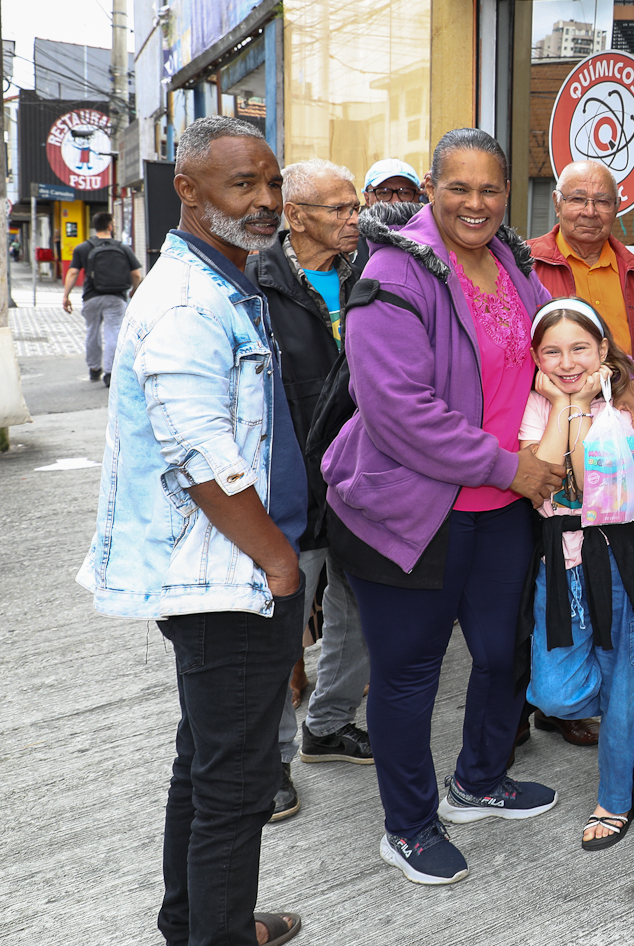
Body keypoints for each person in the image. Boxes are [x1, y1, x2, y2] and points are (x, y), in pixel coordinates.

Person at [78, 116, 305, 946]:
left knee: (204, 766)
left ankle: (195, 924)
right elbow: (201, 454)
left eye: (272, 183)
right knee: (235, 783)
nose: (266, 201)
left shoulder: (227, 279)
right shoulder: (184, 301)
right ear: (189, 188)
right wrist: (280, 564)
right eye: (244, 184)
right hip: (228, 578)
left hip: (234, 572)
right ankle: (216, 934)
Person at [322, 128, 564, 886]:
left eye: (491, 188)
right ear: (429, 190)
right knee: (409, 674)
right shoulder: (392, 272)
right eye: (458, 186)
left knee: (500, 653)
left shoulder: (514, 265)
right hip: (408, 513)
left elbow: (553, 344)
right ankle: (409, 825)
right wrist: (511, 466)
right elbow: (399, 410)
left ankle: (480, 780)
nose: (476, 202)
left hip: (500, 507)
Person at [247, 159, 375, 824]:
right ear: (295, 214)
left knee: (360, 613)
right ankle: (270, 759)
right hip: (293, 484)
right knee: (282, 627)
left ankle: (328, 724)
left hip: (363, 482)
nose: (355, 218)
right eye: (339, 209)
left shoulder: (370, 271)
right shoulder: (256, 281)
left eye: (356, 206)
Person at [518, 299, 634, 848]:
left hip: (615, 556)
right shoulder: (536, 405)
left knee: (624, 676)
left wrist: (581, 401)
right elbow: (546, 480)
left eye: (579, 348)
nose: (566, 360)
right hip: (558, 562)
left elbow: (585, 482)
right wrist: (564, 402)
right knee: (554, 692)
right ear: (536, 357)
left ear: (602, 349)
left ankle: (615, 800)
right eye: (552, 351)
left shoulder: (623, 400)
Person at [528, 157, 634, 479]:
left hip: (619, 453)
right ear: (557, 203)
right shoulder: (526, 268)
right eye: (577, 199)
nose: (590, 211)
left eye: (602, 201)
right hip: (543, 444)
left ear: (617, 207)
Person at [62, 209, 141, 385]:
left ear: (94, 227)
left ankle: (94, 368)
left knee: (92, 331)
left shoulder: (83, 247)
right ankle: (110, 372)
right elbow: (136, 274)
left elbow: (73, 272)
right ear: (110, 226)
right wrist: (134, 290)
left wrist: (66, 295)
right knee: (113, 333)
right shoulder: (122, 247)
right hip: (116, 298)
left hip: (91, 297)